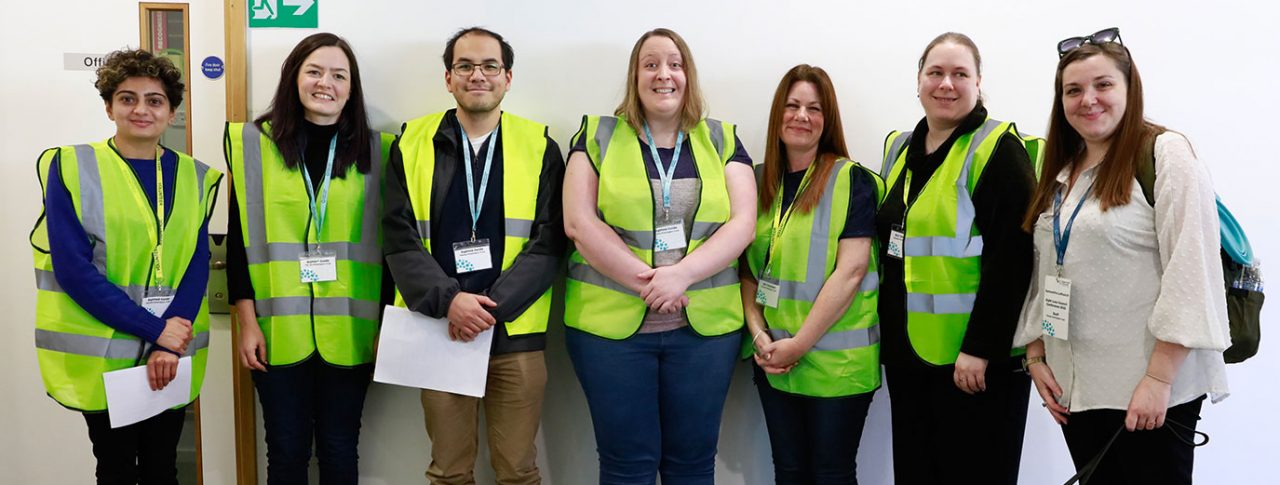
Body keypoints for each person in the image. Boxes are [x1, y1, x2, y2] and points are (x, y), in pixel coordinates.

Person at [1015, 27, 1229, 484]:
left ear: (1130, 89)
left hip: (1146, 390)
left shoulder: (1167, 154)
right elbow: (1046, 269)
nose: (1088, 99)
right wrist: (1036, 355)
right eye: (1073, 90)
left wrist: (1158, 380)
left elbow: (1191, 273)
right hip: (1077, 387)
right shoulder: (1063, 170)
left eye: (1103, 85)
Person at [562, 28, 757, 484]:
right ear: (635, 76)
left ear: (688, 75)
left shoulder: (722, 139)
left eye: (674, 63)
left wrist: (680, 277)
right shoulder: (597, 135)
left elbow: (742, 223)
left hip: (703, 334)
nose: (663, 74)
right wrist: (648, 283)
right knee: (626, 466)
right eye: (650, 64)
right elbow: (578, 223)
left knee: (692, 466)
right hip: (610, 334)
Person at [383, 27, 565, 485]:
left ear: (507, 77)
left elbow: (550, 242)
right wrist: (452, 303)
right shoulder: (411, 142)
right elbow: (399, 237)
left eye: (489, 66)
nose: (477, 75)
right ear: (448, 78)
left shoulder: (540, 145)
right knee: (448, 472)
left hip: (514, 333)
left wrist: (489, 308)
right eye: (465, 66)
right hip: (440, 330)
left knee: (519, 472)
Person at [31, 48, 221, 484]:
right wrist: (157, 331)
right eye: (127, 98)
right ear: (109, 107)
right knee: (115, 468)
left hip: (169, 350)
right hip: (105, 349)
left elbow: (196, 262)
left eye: (155, 100)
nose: (141, 109)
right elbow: (73, 270)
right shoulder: (73, 166)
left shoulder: (195, 176)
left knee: (162, 468)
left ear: (172, 111)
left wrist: (169, 341)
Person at [224, 32, 394, 484]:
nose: (326, 83)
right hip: (277, 330)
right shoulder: (253, 145)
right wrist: (246, 323)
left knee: (340, 449)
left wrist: (387, 327)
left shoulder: (380, 151)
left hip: (353, 330)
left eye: (339, 75)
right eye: (314, 71)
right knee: (285, 450)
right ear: (293, 78)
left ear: (352, 87)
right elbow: (240, 240)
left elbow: (392, 248)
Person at [875, 32, 1035, 484]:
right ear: (919, 81)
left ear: (978, 82)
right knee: (917, 472)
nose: (946, 84)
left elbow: (1014, 261)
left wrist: (980, 349)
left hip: (975, 364)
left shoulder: (997, 149)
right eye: (936, 73)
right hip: (910, 356)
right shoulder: (899, 148)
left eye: (960, 74)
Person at [741, 64, 885, 484]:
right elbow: (748, 271)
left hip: (837, 364)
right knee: (788, 472)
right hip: (773, 358)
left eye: (814, 108)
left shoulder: (852, 180)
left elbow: (852, 270)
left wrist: (797, 345)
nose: (801, 116)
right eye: (792, 105)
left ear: (827, 120)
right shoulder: (757, 181)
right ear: (777, 114)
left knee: (830, 474)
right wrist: (758, 335)